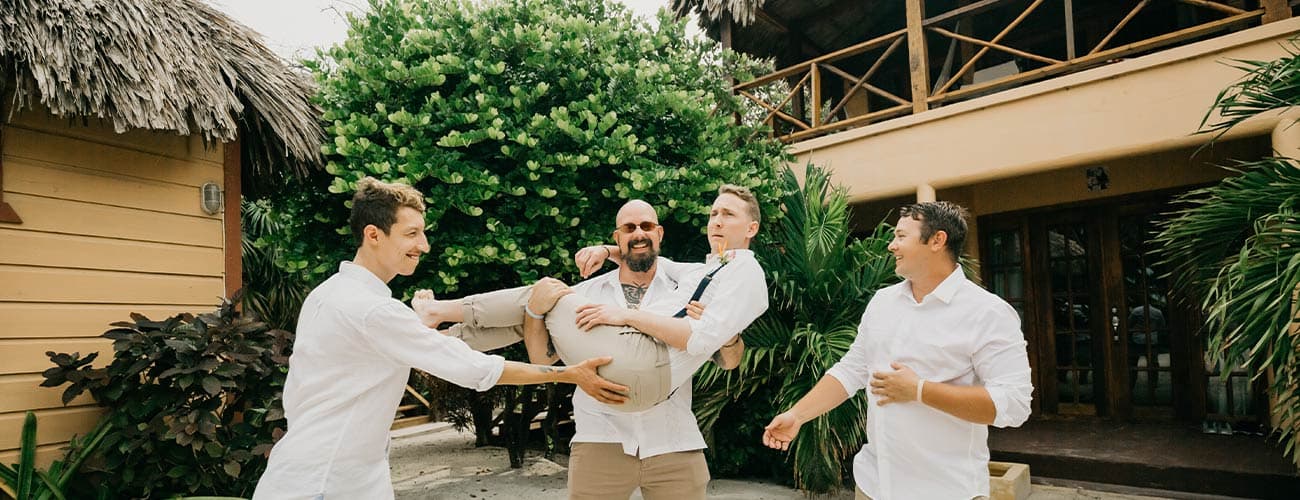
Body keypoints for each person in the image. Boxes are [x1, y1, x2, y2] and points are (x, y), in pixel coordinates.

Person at [252, 177, 629, 500]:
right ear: (373, 235)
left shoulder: (328, 294)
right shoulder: (374, 311)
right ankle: (532, 307)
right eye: (412, 234)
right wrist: (568, 374)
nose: (424, 245)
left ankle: (531, 308)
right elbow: (474, 368)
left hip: (314, 477)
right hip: (326, 485)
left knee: (484, 323)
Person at [417, 186, 769, 499]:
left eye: (646, 227)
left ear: (659, 233)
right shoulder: (695, 273)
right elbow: (545, 357)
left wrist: (725, 334)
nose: (717, 221)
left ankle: (438, 319)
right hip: (602, 435)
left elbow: (726, 356)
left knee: (546, 292)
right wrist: (538, 314)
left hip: (671, 437)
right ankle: (444, 336)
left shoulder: (700, 280)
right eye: (629, 229)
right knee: (540, 302)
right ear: (618, 237)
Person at [761, 201, 1032, 500]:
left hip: (945, 491)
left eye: (901, 236)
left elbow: (1014, 404)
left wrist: (919, 390)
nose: (891, 246)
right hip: (873, 486)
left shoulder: (987, 312)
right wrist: (798, 415)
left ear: (937, 240)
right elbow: (851, 370)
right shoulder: (882, 302)